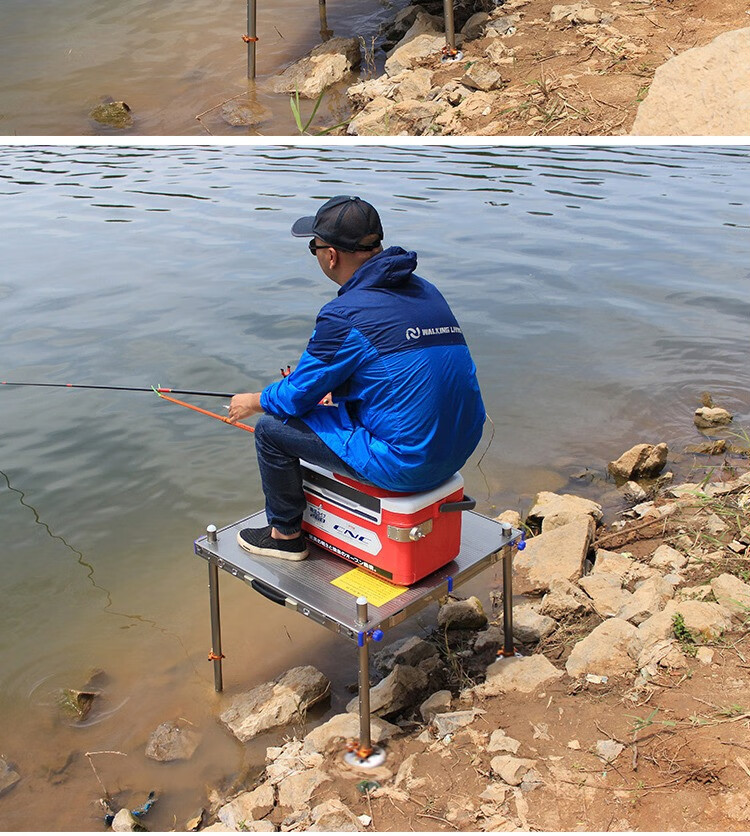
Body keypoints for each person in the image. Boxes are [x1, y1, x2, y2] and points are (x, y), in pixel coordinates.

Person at [228, 195, 485, 561]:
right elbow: (397, 374)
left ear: (330, 255)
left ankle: (284, 536)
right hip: (458, 450)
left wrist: (252, 400)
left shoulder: (344, 314)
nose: (315, 254)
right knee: (331, 408)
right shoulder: (426, 291)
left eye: (313, 247)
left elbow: (294, 398)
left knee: (272, 430)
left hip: (409, 464)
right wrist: (339, 391)